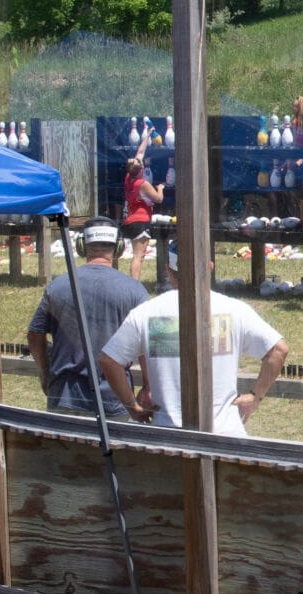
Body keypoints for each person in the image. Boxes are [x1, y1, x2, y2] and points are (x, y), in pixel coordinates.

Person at [98, 241, 288, 437]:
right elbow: (278, 350)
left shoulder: (147, 312)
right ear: (210, 267)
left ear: (169, 271)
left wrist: (132, 407)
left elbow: (109, 360)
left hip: (168, 435)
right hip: (226, 434)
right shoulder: (235, 310)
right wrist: (255, 397)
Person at [26, 217, 150, 420]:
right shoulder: (135, 291)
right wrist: (147, 385)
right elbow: (148, 343)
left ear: (82, 245)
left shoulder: (57, 286)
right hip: (114, 399)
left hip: (64, 397)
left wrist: (45, 374)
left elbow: (34, 335)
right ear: (119, 247)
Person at [121, 128, 165, 281]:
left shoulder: (129, 178)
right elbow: (158, 199)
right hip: (140, 221)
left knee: (136, 256)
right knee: (138, 258)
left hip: (131, 220)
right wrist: (160, 188)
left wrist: (148, 135)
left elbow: (140, 152)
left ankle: (133, 283)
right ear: (141, 170)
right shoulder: (143, 183)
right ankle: (135, 286)